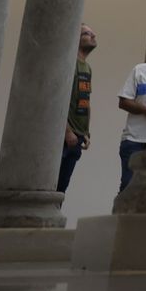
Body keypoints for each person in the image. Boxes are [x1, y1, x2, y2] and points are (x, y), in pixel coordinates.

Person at [58, 25, 96, 193]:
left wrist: (86, 132)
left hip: (78, 136)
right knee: (54, 183)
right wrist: (67, 131)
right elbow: (59, 99)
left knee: (63, 185)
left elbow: (85, 100)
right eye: (87, 33)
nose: (93, 35)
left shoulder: (87, 67)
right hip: (66, 136)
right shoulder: (69, 63)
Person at [115, 53, 146, 194]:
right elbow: (124, 102)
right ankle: (122, 216)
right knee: (129, 187)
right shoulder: (140, 70)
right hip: (135, 140)